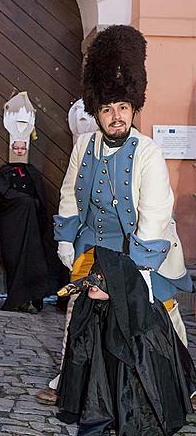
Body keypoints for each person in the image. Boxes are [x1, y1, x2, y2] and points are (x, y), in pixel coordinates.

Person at [36, 25, 192, 405]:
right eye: (107, 109)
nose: (116, 116)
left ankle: (185, 381)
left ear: (134, 107)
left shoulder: (148, 152)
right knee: (78, 309)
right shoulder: (83, 148)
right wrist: (65, 239)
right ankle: (68, 376)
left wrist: (138, 266)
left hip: (144, 248)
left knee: (162, 308)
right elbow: (71, 195)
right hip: (95, 243)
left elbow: (155, 212)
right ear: (97, 112)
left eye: (123, 107)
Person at [56, 247, 196, 435]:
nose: (94, 284)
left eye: (102, 280)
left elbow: (146, 369)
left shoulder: (143, 320)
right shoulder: (92, 308)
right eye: (94, 276)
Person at [0, 92, 57, 313]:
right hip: (12, 228)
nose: (19, 150)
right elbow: (2, 194)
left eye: (22, 147)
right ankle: (16, 298)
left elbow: (40, 201)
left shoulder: (33, 174)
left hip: (31, 232)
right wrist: (24, 202)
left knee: (32, 261)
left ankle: (33, 299)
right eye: (16, 147)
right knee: (12, 261)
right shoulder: (4, 172)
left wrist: (32, 207)